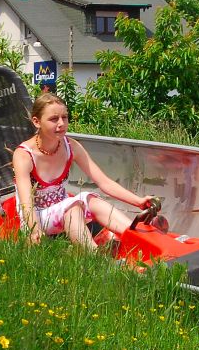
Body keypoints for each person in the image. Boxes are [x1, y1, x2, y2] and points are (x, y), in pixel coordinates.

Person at [12, 91, 154, 248]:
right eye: (53, 119)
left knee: (90, 198)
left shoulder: (70, 146)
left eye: (64, 117)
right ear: (37, 122)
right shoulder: (24, 155)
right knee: (73, 206)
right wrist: (34, 231)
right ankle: (96, 259)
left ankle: (140, 240)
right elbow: (27, 203)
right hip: (37, 218)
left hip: (65, 209)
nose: (61, 123)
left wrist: (138, 202)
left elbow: (104, 182)